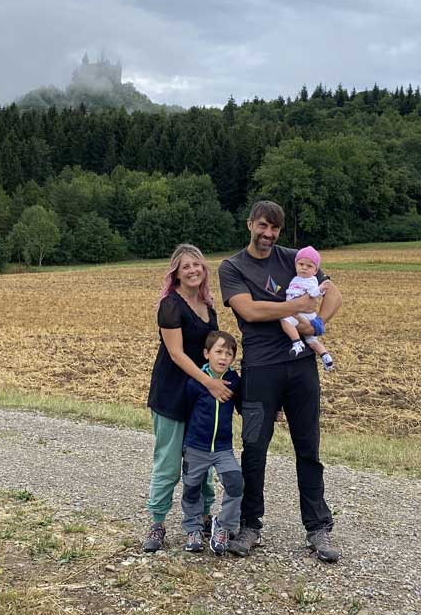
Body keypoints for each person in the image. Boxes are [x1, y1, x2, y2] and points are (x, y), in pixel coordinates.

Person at [218, 201, 344, 562]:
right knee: (254, 447)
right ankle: (250, 525)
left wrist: (315, 324)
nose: (268, 234)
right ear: (249, 225)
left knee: (308, 448)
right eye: (262, 226)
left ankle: (318, 527)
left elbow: (334, 293)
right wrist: (294, 308)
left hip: (301, 368)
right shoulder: (233, 267)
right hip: (260, 370)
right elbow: (250, 310)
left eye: (274, 228)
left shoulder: (296, 258)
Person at [142, 243, 233, 553]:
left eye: (197, 265)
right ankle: (157, 522)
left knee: (202, 461)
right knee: (168, 463)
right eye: (186, 267)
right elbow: (177, 354)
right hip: (172, 392)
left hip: (200, 397)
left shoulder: (209, 309)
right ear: (176, 274)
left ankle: (204, 516)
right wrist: (210, 382)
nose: (193, 270)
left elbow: (216, 352)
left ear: (204, 270)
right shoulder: (170, 304)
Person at [179, 330, 244, 555]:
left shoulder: (235, 381)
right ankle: (193, 529)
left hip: (223, 448)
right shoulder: (196, 381)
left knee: (235, 482)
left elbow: (243, 405)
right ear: (207, 354)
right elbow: (185, 411)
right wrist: (184, 445)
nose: (223, 357)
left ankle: (223, 527)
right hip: (196, 446)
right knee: (192, 487)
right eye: (218, 351)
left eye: (229, 353)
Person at [280, 246, 335, 371]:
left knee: (285, 320)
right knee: (312, 340)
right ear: (296, 265)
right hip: (304, 313)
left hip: (302, 313)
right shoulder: (297, 278)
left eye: (309, 266)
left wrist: (320, 289)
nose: (304, 267)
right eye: (301, 264)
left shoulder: (311, 280)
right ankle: (325, 356)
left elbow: (313, 293)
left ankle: (297, 342)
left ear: (316, 271)